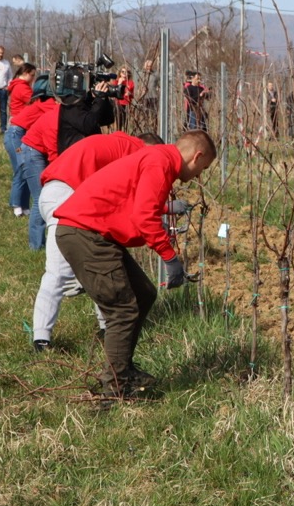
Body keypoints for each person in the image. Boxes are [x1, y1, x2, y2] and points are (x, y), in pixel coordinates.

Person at [55, 130, 217, 398]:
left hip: (92, 232)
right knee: (122, 309)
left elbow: (133, 201)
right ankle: (117, 386)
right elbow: (144, 217)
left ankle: (123, 370)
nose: (200, 175)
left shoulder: (157, 158)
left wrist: (165, 210)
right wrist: (169, 257)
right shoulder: (160, 162)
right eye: (204, 167)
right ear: (197, 155)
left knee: (143, 293)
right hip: (86, 234)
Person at [30, 130, 162, 351]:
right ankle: (41, 339)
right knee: (58, 272)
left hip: (55, 192)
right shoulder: (134, 152)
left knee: (102, 261)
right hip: (67, 195)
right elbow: (135, 202)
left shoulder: (117, 144)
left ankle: (105, 326)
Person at [21, 77, 116, 250]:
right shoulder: (56, 120)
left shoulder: (71, 114)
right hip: (30, 150)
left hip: (39, 147)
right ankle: (36, 245)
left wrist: (102, 99)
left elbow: (100, 120)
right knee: (41, 196)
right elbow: (54, 156)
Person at [3, 63, 41, 217]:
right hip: (16, 133)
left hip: (21, 130)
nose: (33, 79)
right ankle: (17, 204)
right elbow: (36, 102)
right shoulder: (22, 87)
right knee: (21, 167)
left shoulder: (17, 86)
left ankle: (24, 204)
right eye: (32, 75)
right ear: (25, 73)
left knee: (25, 167)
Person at [113, 66, 136, 131]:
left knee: (125, 122)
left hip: (126, 104)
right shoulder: (116, 81)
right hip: (118, 103)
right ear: (120, 73)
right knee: (118, 121)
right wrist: (119, 83)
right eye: (122, 72)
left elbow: (132, 95)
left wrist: (129, 93)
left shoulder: (130, 83)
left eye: (126, 72)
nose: (124, 73)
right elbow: (114, 92)